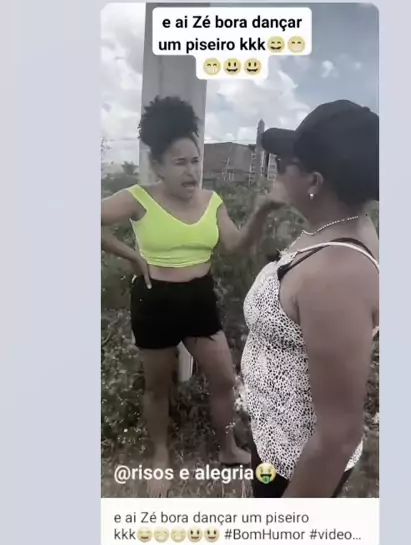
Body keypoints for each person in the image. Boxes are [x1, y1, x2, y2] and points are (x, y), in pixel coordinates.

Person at [101, 96, 284, 495]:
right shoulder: (138, 198)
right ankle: (160, 455)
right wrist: (132, 255)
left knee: (224, 378)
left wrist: (261, 210)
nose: (191, 170)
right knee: (158, 386)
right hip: (154, 300)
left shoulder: (212, 202)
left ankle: (227, 448)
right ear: (158, 166)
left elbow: (235, 247)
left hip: (198, 300)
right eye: (180, 162)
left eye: (195, 160)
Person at [241, 100, 379, 498]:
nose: (278, 170)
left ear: (313, 181)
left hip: (297, 466)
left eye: (287, 163)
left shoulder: (336, 275)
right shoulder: (335, 228)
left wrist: (290, 523)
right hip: (275, 441)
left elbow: (339, 436)